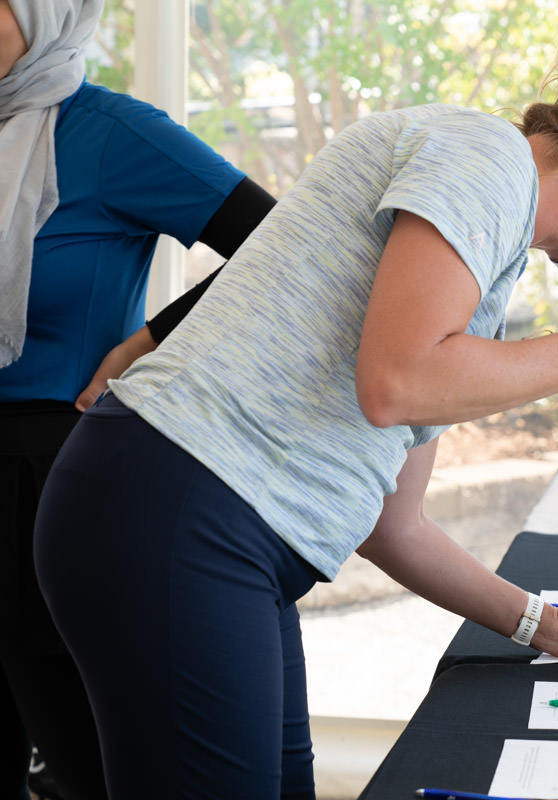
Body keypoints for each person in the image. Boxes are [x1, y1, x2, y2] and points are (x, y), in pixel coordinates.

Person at [33, 25, 558, 798]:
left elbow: (393, 525)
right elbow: (394, 381)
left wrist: (542, 623)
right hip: (177, 502)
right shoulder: (488, 159)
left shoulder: (485, 265)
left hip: (211, 524)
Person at [0, 1, 276, 797]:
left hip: (50, 482)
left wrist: (149, 342)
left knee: (86, 770)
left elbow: (283, 246)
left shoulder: (112, 132)